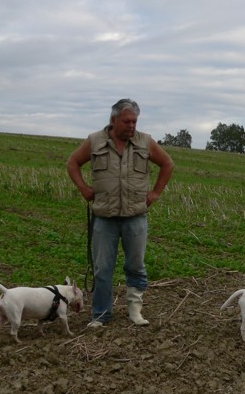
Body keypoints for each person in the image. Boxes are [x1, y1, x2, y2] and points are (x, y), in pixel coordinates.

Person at [67, 98, 174, 327]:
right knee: (102, 269)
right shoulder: (95, 141)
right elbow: (73, 163)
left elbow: (168, 164)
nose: (132, 125)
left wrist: (155, 193)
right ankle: (101, 315)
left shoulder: (145, 142)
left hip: (136, 216)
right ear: (113, 120)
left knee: (136, 266)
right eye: (127, 121)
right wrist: (84, 188)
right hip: (104, 218)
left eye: (134, 121)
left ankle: (135, 311)